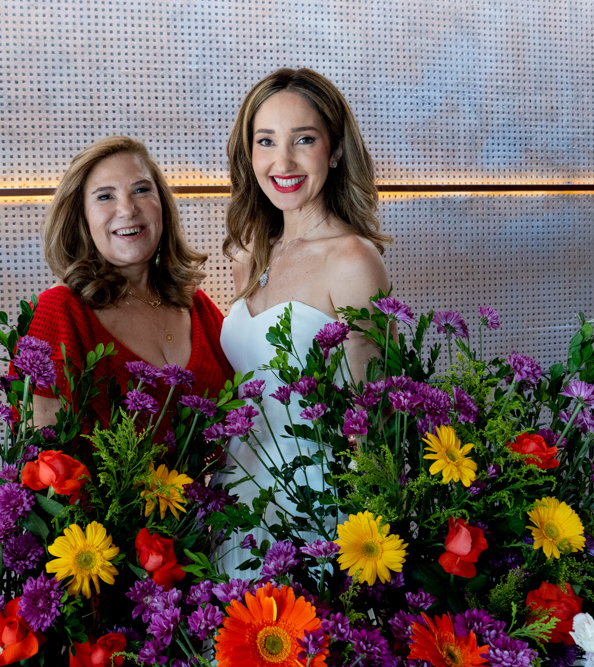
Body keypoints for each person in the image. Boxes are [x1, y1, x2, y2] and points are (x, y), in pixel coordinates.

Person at [214, 68, 393, 572]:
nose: (283, 161)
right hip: (240, 494)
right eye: (265, 141)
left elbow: (376, 419)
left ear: (334, 150)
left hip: (318, 506)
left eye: (304, 140)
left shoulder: (353, 261)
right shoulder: (249, 254)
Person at [26, 136, 234, 446]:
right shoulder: (61, 310)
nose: (127, 209)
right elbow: (46, 462)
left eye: (140, 190)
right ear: (81, 216)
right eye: (105, 196)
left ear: (161, 203)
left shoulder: (197, 306)